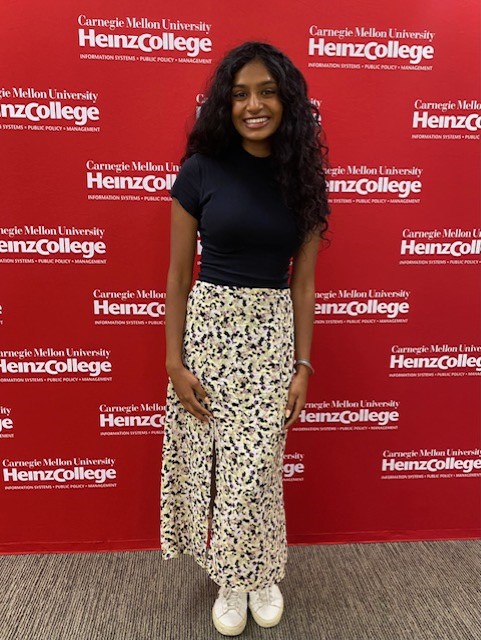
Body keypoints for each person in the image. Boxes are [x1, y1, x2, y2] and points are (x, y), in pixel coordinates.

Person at [160, 40, 330, 637]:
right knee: (217, 464)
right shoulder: (200, 169)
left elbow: (303, 285)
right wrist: (173, 364)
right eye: (239, 94)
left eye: (265, 92)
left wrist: (303, 364)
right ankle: (236, 579)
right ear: (223, 105)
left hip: (271, 336)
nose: (252, 105)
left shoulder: (305, 180)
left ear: (286, 100)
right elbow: (179, 277)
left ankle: (258, 572)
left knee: (258, 466)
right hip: (210, 332)